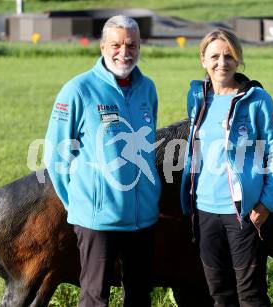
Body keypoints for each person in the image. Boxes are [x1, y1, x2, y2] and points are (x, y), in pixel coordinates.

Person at [45, 15, 161, 307]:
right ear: (102, 47)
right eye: (117, 44)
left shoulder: (148, 89)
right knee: (95, 298)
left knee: (139, 295)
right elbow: (56, 154)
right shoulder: (78, 90)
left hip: (142, 218)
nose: (125, 51)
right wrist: (81, 203)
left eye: (132, 44)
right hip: (97, 220)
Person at [180, 29, 273, 306]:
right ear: (203, 59)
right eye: (214, 56)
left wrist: (266, 203)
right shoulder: (199, 98)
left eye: (229, 56)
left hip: (243, 213)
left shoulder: (257, 100)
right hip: (204, 211)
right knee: (219, 295)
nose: (222, 62)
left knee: (251, 296)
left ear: (238, 59)